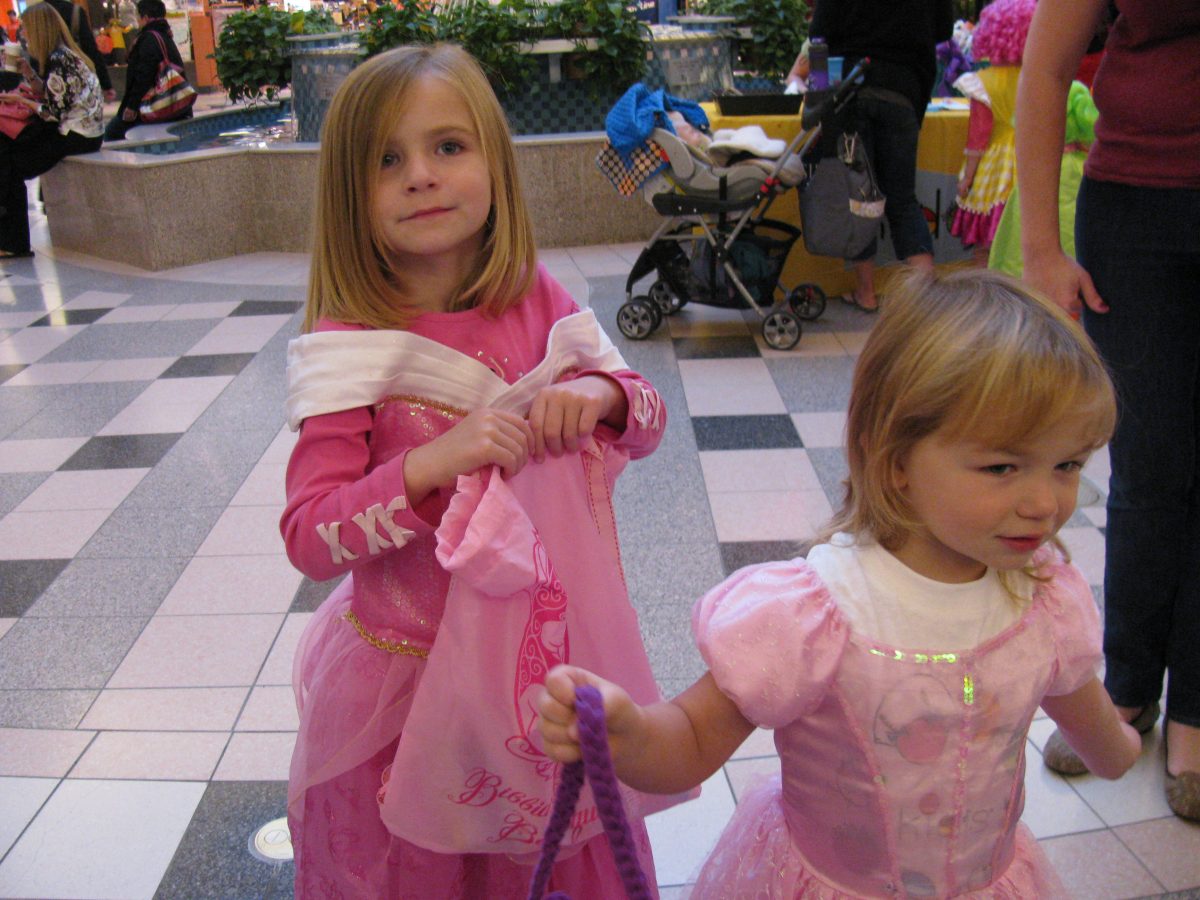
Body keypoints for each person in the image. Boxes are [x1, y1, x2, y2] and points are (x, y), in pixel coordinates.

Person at [540, 268, 1143, 898]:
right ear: (895, 459)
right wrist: (630, 735)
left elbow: (1101, 739)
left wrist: (1120, 747)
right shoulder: (811, 616)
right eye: (1002, 467)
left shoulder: (1043, 604)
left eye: (1068, 464)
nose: (1045, 503)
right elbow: (691, 740)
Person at [280, 43, 674, 896]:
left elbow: (647, 419)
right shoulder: (352, 347)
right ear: (349, 193)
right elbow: (310, 537)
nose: (421, 175)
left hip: (538, 673)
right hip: (409, 690)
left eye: (448, 147)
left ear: (494, 161)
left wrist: (602, 393)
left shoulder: (538, 297)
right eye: (387, 161)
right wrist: (429, 464)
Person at [1017, 0, 1200, 821]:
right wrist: (1041, 249)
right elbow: (1047, 67)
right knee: (1149, 465)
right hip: (1136, 203)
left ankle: (1195, 707)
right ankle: (1124, 685)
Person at [809, 0, 952, 312]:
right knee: (903, 201)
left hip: (851, 91)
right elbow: (944, 30)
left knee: (860, 197)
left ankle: (867, 293)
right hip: (904, 91)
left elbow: (818, 32)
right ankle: (928, 298)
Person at [0, 2, 103, 259]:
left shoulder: (59, 60)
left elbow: (52, 113)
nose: (23, 35)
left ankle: (14, 243)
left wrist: (21, 101)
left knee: (9, 163)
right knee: (7, 154)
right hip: (81, 130)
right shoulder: (63, 55)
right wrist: (29, 74)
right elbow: (54, 96)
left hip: (76, 134)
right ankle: (12, 241)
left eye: (26, 29)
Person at [949, 0, 1035, 267]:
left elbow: (978, 136)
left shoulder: (984, 82)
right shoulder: (1039, 80)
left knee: (985, 242)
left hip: (995, 166)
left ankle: (985, 289)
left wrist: (968, 177)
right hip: (1032, 160)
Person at [103, 0, 189, 142]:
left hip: (150, 103)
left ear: (146, 17)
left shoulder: (149, 38)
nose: (138, 21)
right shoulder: (165, 34)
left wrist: (132, 106)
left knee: (112, 133)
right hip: (172, 101)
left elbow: (144, 75)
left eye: (139, 16)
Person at [45, 0, 115, 101]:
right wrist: (106, 84)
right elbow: (90, 49)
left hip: (46, 76)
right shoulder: (75, 11)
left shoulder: (36, 14)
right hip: (75, 76)